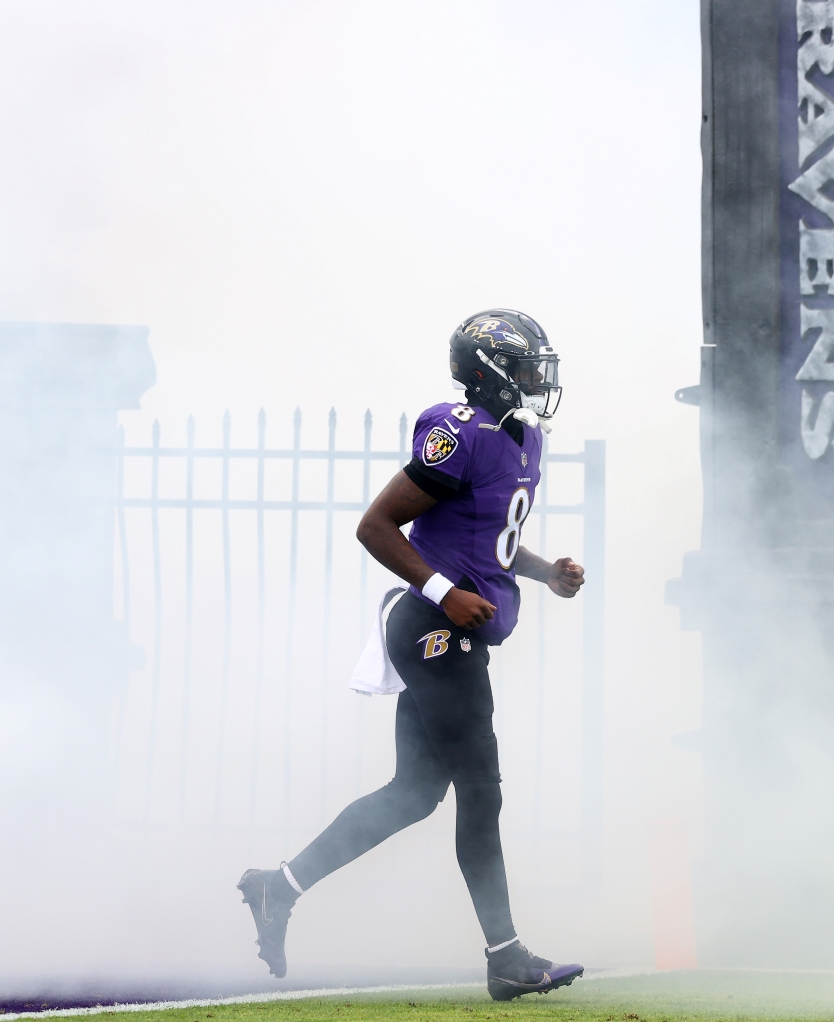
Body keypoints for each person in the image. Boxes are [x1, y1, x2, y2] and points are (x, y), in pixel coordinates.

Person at [237, 310, 587, 1002]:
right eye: (521, 364)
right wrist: (444, 592)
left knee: (416, 794)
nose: (532, 377)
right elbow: (376, 525)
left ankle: (279, 887)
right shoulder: (459, 432)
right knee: (480, 791)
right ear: (486, 370)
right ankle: (506, 954)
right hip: (433, 625)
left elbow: (490, 543)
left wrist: (544, 573)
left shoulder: (522, 437)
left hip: (449, 623)